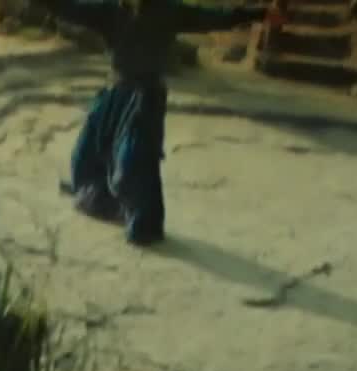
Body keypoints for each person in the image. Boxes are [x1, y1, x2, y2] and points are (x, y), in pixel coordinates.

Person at [33, 1, 270, 245]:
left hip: (146, 97)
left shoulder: (168, 12)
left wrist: (260, 13)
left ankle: (145, 224)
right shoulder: (114, 11)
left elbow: (216, 17)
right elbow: (71, 8)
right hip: (116, 91)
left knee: (134, 162)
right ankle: (98, 197)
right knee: (86, 154)